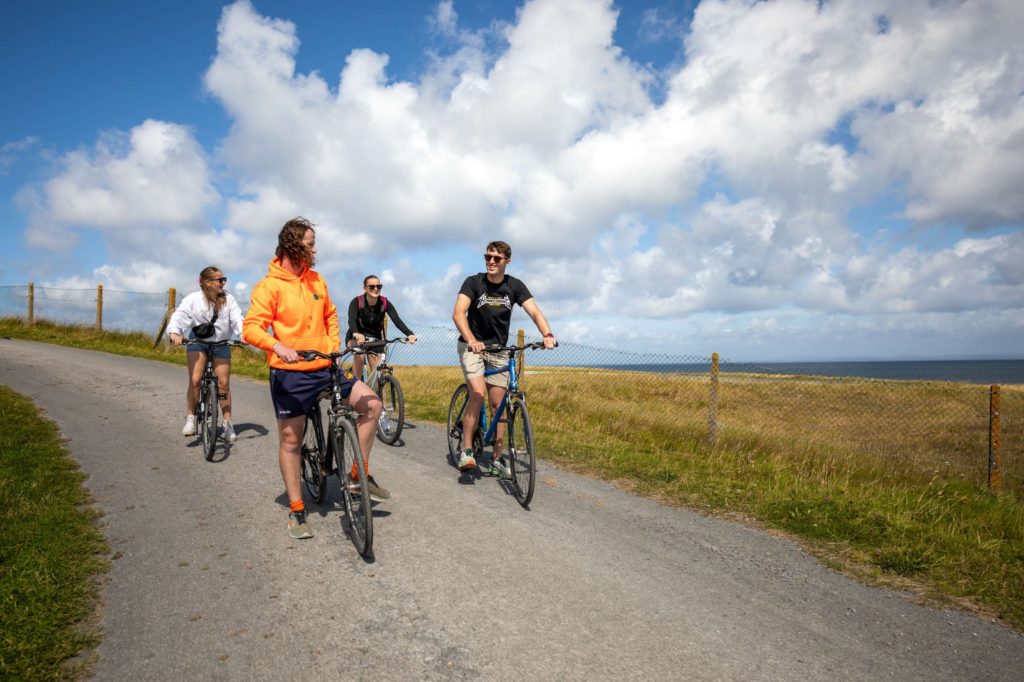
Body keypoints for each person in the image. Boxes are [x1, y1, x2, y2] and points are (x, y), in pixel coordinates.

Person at [242, 217, 386, 540]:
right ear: (293, 245)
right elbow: (251, 327)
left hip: (324, 365)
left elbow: (331, 315)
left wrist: (333, 344)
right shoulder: (270, 285)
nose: (314, 248)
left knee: (373, 405)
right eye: (310, 243)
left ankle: (356, 474)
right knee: (292, 441)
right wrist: (277, 345)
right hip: (291, 373)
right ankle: (296, 509)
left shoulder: (317, 281)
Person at [451, 240, 557, 477]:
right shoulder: (473, 282)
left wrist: (547, 334)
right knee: (478, 394)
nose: (490, 261)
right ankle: (467, 450)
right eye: (487, 257)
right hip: (472, 347)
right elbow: (459, 313)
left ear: (507, 261)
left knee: (499, 405)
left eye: (496, 258)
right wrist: (471, 339)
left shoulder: (514, 285)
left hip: (498, 349)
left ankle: (498, 459)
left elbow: (534, 312)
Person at [167, 266, 244, 444]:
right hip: (198, 342)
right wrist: (175, 333)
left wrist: (243, 335)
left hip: (221, 343)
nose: (223, 283)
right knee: (195, 379)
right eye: (220, 280)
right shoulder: (192, 300)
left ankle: (227, 423)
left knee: (223, 384)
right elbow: (179, 317)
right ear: (208, 282)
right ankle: (191, 418)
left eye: (224, 280)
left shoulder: (228, 300)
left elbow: (238, 319)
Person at [346, 274, 418, 382]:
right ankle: (355, 387)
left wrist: (409, 334)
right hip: (356, 337)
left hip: (375, 339)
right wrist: (356, 333)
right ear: (365, 288)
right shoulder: (357, 302)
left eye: (378, 286)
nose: (376, 289)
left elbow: (396, 320)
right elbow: (351, 319)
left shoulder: (384, 302)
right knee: (359, 355)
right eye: (372, 287)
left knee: (379, 376)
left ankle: (380, 398)